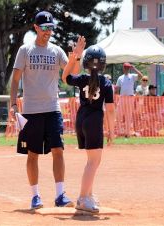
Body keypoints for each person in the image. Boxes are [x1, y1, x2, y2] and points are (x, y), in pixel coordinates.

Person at [9, 11, 82, 210]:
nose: (48, 32)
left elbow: (72, 74)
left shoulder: (57, 51)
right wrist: (13, 104)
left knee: (58, 150)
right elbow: (15, 79)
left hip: (52, 109)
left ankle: (60, 195)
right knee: (32, 154)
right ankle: (35, 196)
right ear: (36, 27)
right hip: (31, 111)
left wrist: (76, 56)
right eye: (44, 28)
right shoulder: (25, 50)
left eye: (51, 28)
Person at [62, 44, 115, 213]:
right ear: (103, 64)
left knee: (92, 160)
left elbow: (65, 77)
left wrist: (73, 58)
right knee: (94, 161)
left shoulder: (82, 79)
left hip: (82, 119)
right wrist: (111, 130)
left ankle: (89, 195)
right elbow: (111, 110)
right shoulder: (106, 83)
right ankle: (83, 198)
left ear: (85, 63)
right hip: (93, 121)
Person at [115, 63, 143, 137]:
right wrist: (116, 97)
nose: (126, 69)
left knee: (128, 116)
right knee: (118, 115)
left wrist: (134, 68)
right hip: (122, 97)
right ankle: (119, 132)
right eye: (125, 68)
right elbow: (117, 89)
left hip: (130, 97)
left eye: (128, 68)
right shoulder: (120, 77)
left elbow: (141, 76)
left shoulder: (132, 76)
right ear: (123, 68)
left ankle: (127, 133)